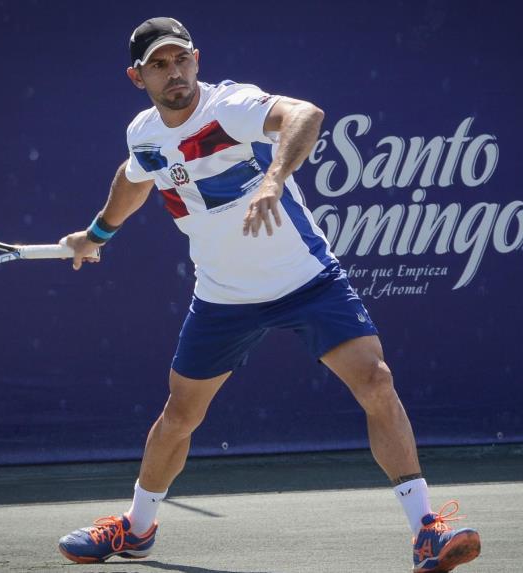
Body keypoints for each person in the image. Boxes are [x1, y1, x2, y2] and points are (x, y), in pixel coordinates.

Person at [56, 17, 481, 573]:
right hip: (223, 297)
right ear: (138, 77)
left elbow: (306, 115)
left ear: (197, 60)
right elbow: (136, 175)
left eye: (181, 59)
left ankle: (426, 529)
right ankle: (136, 530)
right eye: (159, 65)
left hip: (306, 280)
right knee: (180, 415)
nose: (174, 72)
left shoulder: (230, 107)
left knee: (376, 380)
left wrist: (275, 177)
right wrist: (97, 234)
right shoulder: (144, 133)